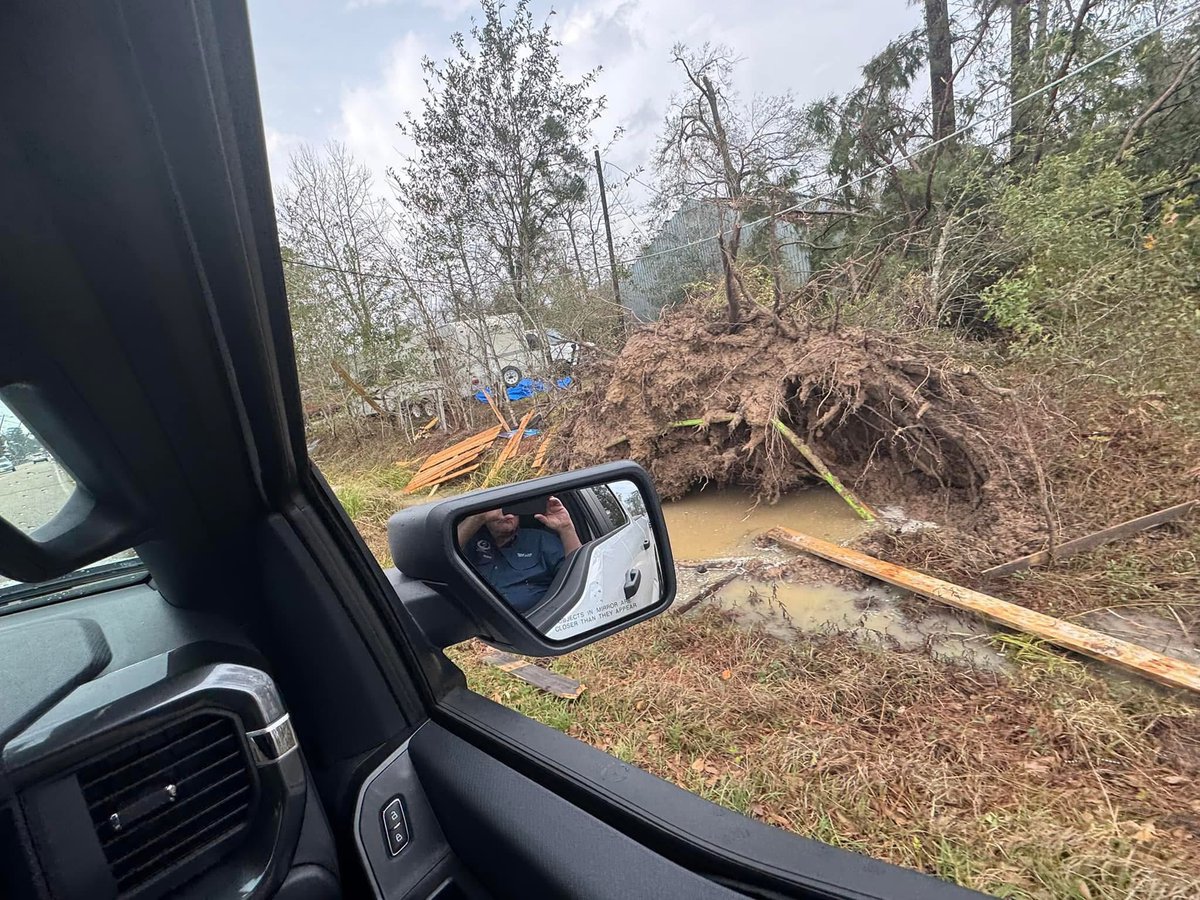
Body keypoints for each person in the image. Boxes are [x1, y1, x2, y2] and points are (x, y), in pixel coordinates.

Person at [456, 496, 582, 613]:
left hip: (540, 620)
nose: (507, 514)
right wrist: (478, 517)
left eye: (513, 507)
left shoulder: (541, 541)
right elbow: (441, 554)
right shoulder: (467, 542)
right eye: (500, 508)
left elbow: (580, 574)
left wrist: (566, 528)